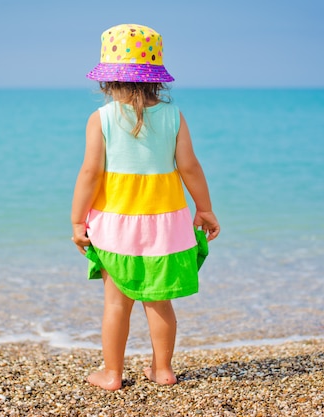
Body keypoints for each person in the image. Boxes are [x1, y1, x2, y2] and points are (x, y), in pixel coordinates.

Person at [71, 23, 220, 391]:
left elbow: (90, 172)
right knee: (160, 303)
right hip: (165, 224)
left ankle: (112, 374)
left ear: (108, 79)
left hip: (116, 224)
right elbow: (189, 166)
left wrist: (77, 219)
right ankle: (163, 369)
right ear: (156, 79)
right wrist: (204, 208)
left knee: (116, 303)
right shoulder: (173, 116)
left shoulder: (101, 119)